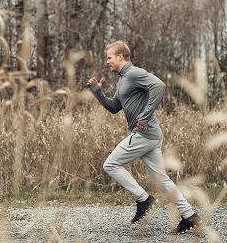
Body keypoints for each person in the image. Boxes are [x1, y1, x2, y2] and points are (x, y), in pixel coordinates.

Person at [86, 41, 202, 234]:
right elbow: (115, 107)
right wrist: (97, 93)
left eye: (109, 57)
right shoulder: (123, 80)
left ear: (120, 57)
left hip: (143, 134)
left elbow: (159, 85)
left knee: (110, 165)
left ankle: (144, 200)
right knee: (160, 179)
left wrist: (146, 115)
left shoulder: (133, 73)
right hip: (151, 135)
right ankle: (189, 216)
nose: (107, 62)